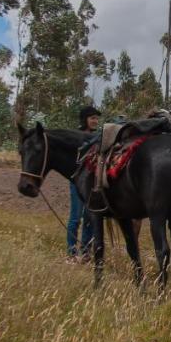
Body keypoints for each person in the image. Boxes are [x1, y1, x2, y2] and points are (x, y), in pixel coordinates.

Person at [68, 104, 101, 259]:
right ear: (85, 119)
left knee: (89, 216)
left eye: (96, 118)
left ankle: (86, 251)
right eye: (92, 118)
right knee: (75, 217)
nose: (95, 121)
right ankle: (72, 251)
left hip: (91, 182)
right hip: (77, 182)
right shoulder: (76, 136)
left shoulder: (97, 137)